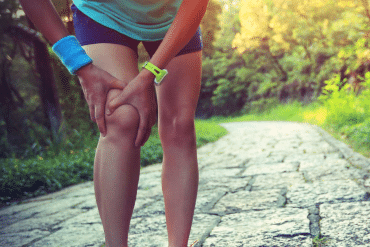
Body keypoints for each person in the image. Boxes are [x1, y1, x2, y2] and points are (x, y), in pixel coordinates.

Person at [18, 0, 209, 246]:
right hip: (102, 12)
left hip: (173, 15)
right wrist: (79, 65)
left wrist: (149, 74)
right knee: (120, 116)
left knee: (179, 125)